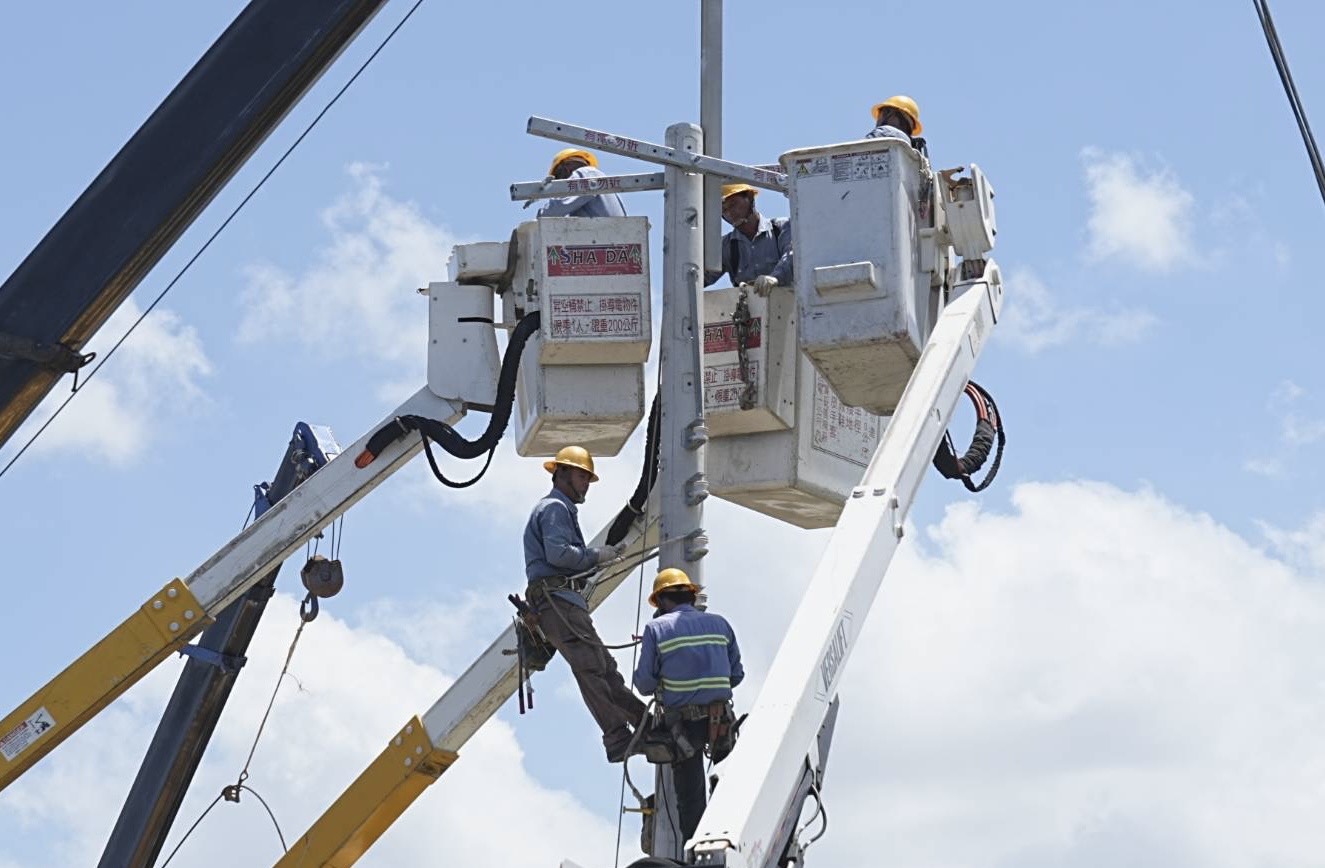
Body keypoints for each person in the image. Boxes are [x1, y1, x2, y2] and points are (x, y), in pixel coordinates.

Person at [524, 445, 648, 762]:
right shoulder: (554, 509)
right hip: (558, 603)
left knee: (605, 668)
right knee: (592, 668)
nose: (585, 486)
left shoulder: (558, 509)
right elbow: (559, 555)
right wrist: (596, 556)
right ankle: (617, 736)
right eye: (582, 477)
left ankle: (646, 724)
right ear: (561, 473)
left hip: (563, 603)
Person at [633, 568, 744, 843]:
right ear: (692, 597)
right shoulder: (721, 624)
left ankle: (697, 855)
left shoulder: (657, 629)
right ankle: (731, 840)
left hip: (683, 727)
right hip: (721, 721)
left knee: (691, 801)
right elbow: (737, 675)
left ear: (660, 602)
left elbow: (644, 684)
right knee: (728, 787)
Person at [703, 183, 793, 294]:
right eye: (724, 210)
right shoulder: (725, 246)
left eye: (733, 204)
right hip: (749, 310)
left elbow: (792, 256)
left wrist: (775, 278)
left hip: (790, 306)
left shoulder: (782, 228)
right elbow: (701, 278)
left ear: (750, 198)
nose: (730, 213)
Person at [536, 148, 627, 218]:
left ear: (566, 167)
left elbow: (553, 211)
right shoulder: (598, 179)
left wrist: (540, 215)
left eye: (558, 177)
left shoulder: (586, 173)